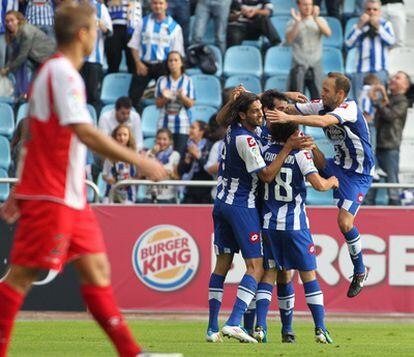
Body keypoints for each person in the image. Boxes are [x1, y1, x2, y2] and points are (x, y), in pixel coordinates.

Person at [0, 3, 178, 357]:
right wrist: (141, 161)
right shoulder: (64, 74)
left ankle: (131, 352)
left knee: (97, 269)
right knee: (19, 278)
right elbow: (84, 132)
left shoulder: (51, 73)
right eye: (95, 29)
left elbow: (32, 135)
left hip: (70, 196)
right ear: (83, 34)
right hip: (53, 194)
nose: (98, 34)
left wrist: (18, 187)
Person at [206, 89, 313, 343]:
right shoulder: (248, 139)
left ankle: (212, 328)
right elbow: (265, 175)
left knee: (222, 265)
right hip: (242, 205)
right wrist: (287, 148)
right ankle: (234, 322)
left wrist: (239, 99)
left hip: (221, 201)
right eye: (255, 111)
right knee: (258, 266)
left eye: (261, 110)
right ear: (242, 114)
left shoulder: (232, 126)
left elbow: (223, 118)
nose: (261, 114)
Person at [267, 72, 375, 298]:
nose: (321, 93)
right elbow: (291, 110)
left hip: (358, 173)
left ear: (340, 94)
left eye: (326, 90)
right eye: (322, 88)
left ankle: (360, 271)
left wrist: (290, 119)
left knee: (344, 223)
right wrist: (284, 106)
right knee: (308, 145)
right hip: (336, 165)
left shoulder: (350, 109)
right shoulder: (320, 105)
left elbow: (324, 121)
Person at [254, 121, 338, 344]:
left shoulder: (266, 152)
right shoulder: (301, 155)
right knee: (308, 274)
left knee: (269, 273)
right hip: (295, 225)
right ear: (293, 134)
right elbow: (318, 185)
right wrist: (332, 181)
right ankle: (320, 329)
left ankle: (260, 327)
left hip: (270, 224)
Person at [128, 0, 185, 110]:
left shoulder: (174, 27)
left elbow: (177, 53)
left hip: (163, 66)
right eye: (155, 3)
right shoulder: (142, 23)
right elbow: (134, 45)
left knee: (167, 97)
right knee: (133, 97)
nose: (158, 6)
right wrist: (138, 63)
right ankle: (140, 119)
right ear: (151, 5)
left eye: (160, 3)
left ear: (166, 5)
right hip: (144, 64)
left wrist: (171, 71)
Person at [370, 71, 411, 205]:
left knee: (392, 183)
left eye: (397, 78)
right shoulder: (390, 98)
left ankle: (397, 210)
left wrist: (377, 102)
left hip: (390, 147)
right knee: (372, 180)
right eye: (393, 77)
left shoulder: (402, 101)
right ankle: (367, 207)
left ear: (405, 86)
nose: (393, 79)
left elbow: (390, 116)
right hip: (379, 145)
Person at [345, 0, 395, 98]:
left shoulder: (386, 25)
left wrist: (378, 28)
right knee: (359, 103)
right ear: (364, 11)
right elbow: (348, 44)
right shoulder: (358, 26)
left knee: (378, 103)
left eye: (375, 9)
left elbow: (391, 42)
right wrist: (359, 26)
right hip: (361, 70)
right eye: (368, 9)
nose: (371, 12)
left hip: (379, 70)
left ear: (379, 12)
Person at [1, 10, 55, 98]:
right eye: (7, 21)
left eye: (12, 20)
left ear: (18, 20)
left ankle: (25, 95)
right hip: (36, 59)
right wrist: (6, 67)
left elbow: (22, 55)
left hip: (48, 60)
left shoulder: (26, 31)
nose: (9, 23)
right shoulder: (15, 34)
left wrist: (7, 69)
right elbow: (14, 54)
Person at [286, 0, 331, 100]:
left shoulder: (319, 20)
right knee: (297, 99)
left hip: (316, 64)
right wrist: (298, 22)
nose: (308, 7)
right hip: (298, 65)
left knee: (319, 99)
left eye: (310, 4)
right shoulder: (293, 22)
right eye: (305, 5)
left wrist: (315, 18)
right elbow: (289, 40)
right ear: (299, 5)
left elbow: (328, 33)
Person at [155, 51, 195, 154]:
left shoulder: (188, 80)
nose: (173, 63)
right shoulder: (161, 80)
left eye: (176, 60)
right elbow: (158, 104)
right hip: (164, 124)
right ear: (167, 64)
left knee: (178, 156)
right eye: (170, 60)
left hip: (181, 125)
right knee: (161, 156)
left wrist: (182, 97)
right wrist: (165, 98)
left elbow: (190, 104)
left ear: (181, 63)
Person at [81, 0, 113, 114]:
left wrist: (99, 24)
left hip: (94, 60)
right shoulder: (73, 6)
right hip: (76, 59)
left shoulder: (100, 8)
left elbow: (109, 32)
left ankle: (94, 122)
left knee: (92, 95)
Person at [177, 120, 213, 204]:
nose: (190, 130)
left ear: (201, 131)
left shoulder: (209, 146)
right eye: (190, 127)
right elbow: (180, 171)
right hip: (189, 189)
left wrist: (198, 157)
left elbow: (210, 168)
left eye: (193, 128)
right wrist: (187, 160)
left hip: (205, 189)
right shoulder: (187, 146)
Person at [103, 124, 138, 203]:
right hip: (111, 191)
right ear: (115, 137)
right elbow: (104, 175)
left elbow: (138, 176)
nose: (122, 138)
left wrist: (130, 181)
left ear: (129, 137)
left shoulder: (134, 156)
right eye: (119, 135)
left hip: (128, 193)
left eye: (125, 135)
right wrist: (109, 180)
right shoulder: (110, 156)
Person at [144, 128, 181, 203]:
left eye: (164, 139)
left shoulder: (175, 155)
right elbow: (144, 172)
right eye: (159, 139)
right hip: (149, 196)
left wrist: (168, 173)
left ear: (170, 141)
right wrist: (152, 154)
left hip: (167, 198)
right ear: (155, 140)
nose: (161, 142)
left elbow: (177, 177)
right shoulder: (148, 153)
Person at [105, 0, 142, 74]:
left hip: (132, 26)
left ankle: (133, 82)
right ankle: (111, 82)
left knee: (132, 62)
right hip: (114, 26)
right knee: (113, 61)